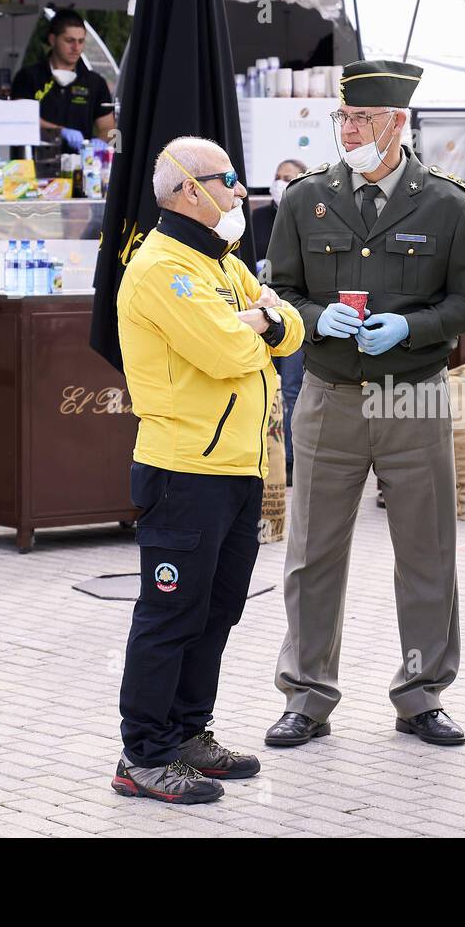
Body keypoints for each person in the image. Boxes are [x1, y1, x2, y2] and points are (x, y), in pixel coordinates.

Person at [263, 59, 465, 748]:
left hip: (413, 394)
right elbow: (278, 293)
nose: (348, 129)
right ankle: (306, 695)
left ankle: (421, 693)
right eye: (342, 118)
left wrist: (413, 327)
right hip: (330, 394)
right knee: (311, 553)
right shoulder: (305, 201)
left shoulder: (446, 203)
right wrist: (313, 315)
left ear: (398, 124)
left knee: (426, 550)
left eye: (361, 119)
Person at [111, 136, 304, 804]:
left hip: (238, 469)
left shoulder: (221, 262)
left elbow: (292, 329)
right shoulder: (162, 268)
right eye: (228, 178)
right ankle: (143, 754)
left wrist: (259, 320)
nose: (240, 191)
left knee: (217, 611)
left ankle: (190, 733)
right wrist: (257, 324)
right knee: (170, 614)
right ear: (190, 190)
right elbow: (226, 351)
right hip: (183, 471)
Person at [254, 158, 309, 482]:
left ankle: (289, 459)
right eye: (277, 176)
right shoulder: (259, 217)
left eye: (288, 177)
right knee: (265, 386)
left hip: (292, 315)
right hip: (259, 313)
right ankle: (267, 456)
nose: (280, 181)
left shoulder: (309, 214)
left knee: (291, 388)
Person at [11, 8, 115, 155]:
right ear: (52, 40)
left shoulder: (95, 82)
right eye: (69, 41)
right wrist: (60, 131)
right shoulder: (28, 76)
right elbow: (20, 116)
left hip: (79, 166)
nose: (76, 48)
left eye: (81, 41)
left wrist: (100, 142)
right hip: (32, 165)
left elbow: (109, 128)